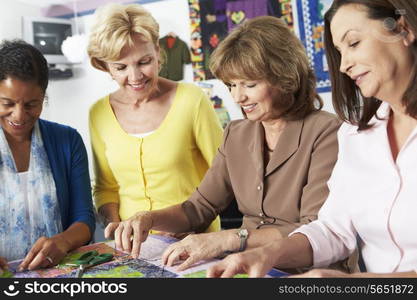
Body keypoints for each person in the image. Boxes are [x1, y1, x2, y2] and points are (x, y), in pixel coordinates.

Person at [104, 16, 344, 273]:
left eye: (249, 84)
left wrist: (229, 239)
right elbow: (198, 208)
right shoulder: (236, 133)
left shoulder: (328, 132)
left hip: (307, 273)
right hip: (244, 268)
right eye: (231, 84)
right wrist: (148, 217)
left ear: (285, 77)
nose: (238, 97)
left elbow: (316, 230)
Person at [207, 0, 417, 278]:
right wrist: (268, 253)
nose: (343, 66)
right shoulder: (357, 135)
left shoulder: (325, 131)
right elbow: (332, 229)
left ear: (403, 29)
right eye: (339, 52)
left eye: (353, 43)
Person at [87, 3, 223, 238]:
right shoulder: (98, 113)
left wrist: (192, 224)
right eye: (121, 67)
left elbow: (223, 175)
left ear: (158, 53)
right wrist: (116, 225)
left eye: (144, 62)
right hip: (135, 248)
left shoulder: (192, 100)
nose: (135, 76)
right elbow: (105, 188)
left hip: (196, 240)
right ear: (105, 67)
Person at [0, 40, 95, 273]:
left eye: (32, 104)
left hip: (57, 273)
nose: (19, 116)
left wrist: (63, 241)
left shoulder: (67, 141)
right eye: (7, 103)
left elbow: (84, 218)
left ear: (44, 97)